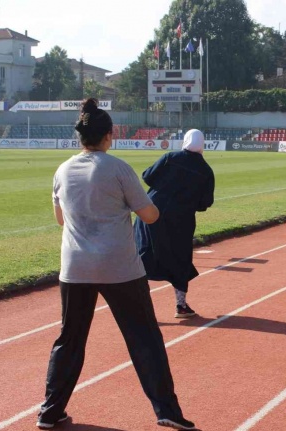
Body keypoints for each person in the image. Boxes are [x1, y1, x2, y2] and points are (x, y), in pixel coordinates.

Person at [39, 98, 195, 430]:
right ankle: (166, 409)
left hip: (75, 267)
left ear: (81, 137)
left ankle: (50, 411)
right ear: (110, 135)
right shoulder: (119, 169)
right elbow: (150, 216)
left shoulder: (62, 170)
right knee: (144, 338)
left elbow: (60, 220)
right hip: (119, 267)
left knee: (69, 339)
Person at [134, 129, 215, 319]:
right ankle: (181, 305)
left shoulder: (170, 157)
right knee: (180, 259)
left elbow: (147, 176)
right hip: (182, 220)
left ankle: (140, 308)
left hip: (151, 213)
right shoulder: (206, 170)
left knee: (143, 255)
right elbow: (206, 203)